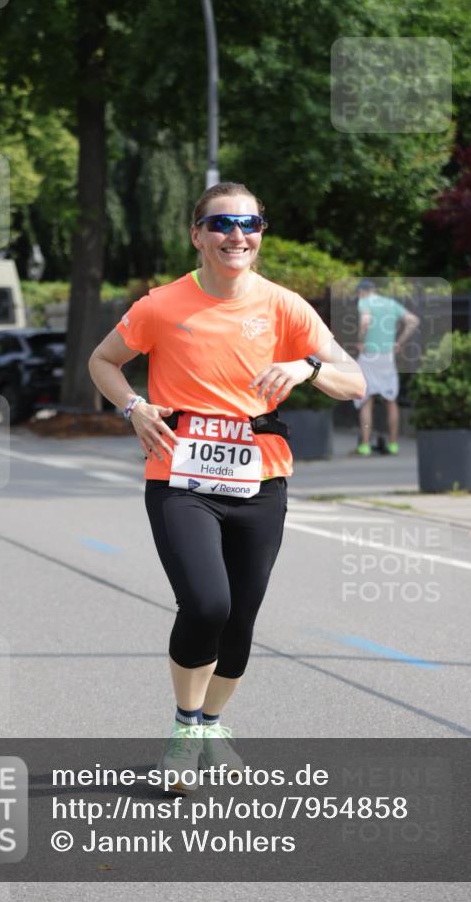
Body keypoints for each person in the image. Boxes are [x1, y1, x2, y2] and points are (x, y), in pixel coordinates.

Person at [88, 182, 366, 792]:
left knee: (240, 620)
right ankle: (185, 728)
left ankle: (211, 725)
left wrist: (308, 366)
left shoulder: (285, 306)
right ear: (197, 235)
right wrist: (134, 405)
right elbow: (102, 361)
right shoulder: (162, 304)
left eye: (250, 223)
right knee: (207, 604)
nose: (236, 235)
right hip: (180, 477)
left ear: (261, 233)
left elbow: (355, 382)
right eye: (221, 225)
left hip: (261, 479)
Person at [353, 279, 420, 455]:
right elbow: (413, 321)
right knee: (391, 400)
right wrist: (399, 343)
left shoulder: (364, 302)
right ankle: (393, 444)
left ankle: (365, 445)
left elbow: (365, 321)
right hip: (387, 357)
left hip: (369, 355)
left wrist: (360, 341)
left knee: (366, 399)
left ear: (362, 292)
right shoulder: (391, 303)